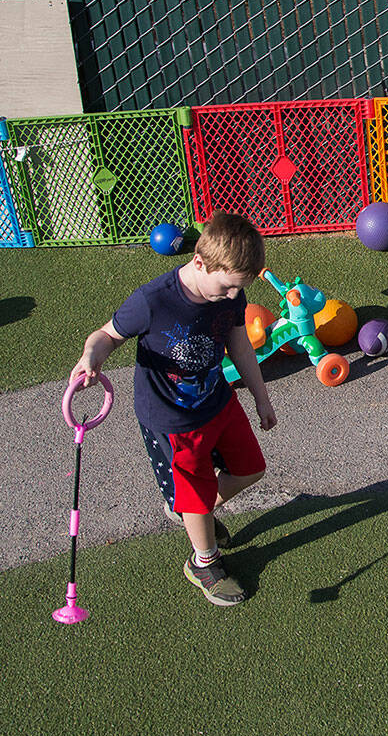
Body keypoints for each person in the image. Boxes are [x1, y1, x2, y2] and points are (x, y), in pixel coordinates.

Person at [70, 212, 277, 603]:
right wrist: (90, 358)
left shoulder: (232, 290)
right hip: (174, 418)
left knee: (251, 469)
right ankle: (203, 561)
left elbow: (239, 344)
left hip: (218, 400)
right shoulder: (153, 300)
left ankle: (189, 511)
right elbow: (106, 336)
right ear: (200, 263)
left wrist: (260, 397)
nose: (233, 297)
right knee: (196, 496)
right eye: (227, 288)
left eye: (239, 289)